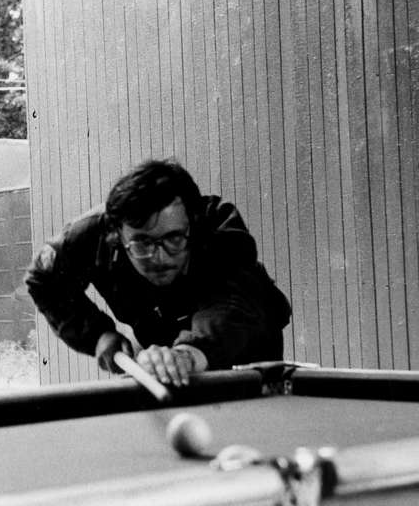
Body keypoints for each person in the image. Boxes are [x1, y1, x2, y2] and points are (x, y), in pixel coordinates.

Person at [25, 159, 290, 387]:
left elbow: (230, 304)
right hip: (162, 342)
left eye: (174, 238)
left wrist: (188, 354)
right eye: (142, 243)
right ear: (117, 236)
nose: (158, 258)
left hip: (242, 343)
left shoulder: (219, 229)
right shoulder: (93, 235)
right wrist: (96, 335)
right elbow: (44, 281)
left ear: (192, 225)